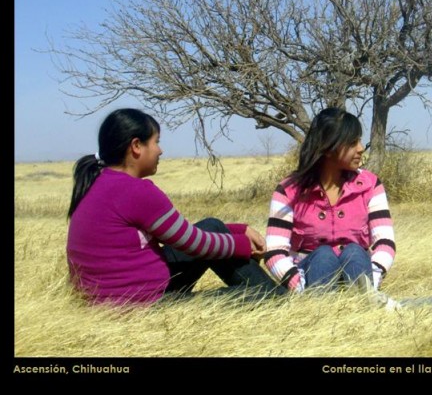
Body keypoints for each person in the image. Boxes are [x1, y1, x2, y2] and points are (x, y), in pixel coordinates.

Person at [66, 108, 279, 305]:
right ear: (136, 146)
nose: (160, 150)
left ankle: (273, 293)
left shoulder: (99, 183)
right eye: (156, 142)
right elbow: (194, 243)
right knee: (261, 294)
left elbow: (177, 232)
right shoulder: (135, 191)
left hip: (111, 298)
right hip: (142, 304)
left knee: (212, 225)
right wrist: (244, 245)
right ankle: (277, 297)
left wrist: (239, 230)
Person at [264, 107, 396, 299]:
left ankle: (366, 296)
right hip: (309, 279)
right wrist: (297, 286)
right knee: (323, 256)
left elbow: (385, 242)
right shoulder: (289, 190)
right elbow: (275, 250)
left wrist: (373, 278)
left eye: (359, 140)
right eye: (352, 143)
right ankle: (319, 304)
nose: (361, 148)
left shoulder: (370, 185)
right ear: (328, 148)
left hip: (358, 270)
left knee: (354, 252)